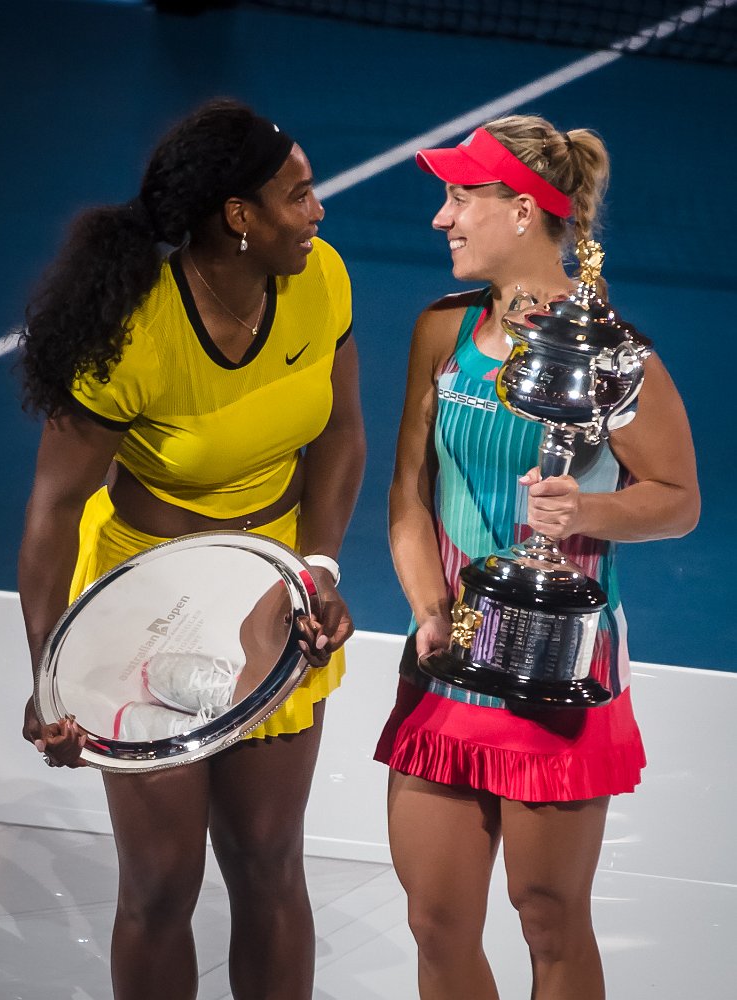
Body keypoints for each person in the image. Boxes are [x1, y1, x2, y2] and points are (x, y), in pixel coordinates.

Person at [19, 97, 366, 1000]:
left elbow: (340, 435)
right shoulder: (129, 333)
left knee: (267, 859)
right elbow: (54, 509)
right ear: (238, 217)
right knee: (161, 882)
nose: (318, 209)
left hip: (274, 587)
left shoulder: (321, 276)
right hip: (146, 606)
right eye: (298, 194)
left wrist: (319, 566)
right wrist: (51, 680)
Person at [375, 116, 699, 1000]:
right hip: (447, 663)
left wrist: (586, 509)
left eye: (459, 198)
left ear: (521, 211)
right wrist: (429, 612)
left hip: (558, 672)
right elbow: (407, 493)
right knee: (435, 922)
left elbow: (677, 500)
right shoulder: (440, 331)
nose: (441, 218)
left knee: (548, 917)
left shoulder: (614, 356)